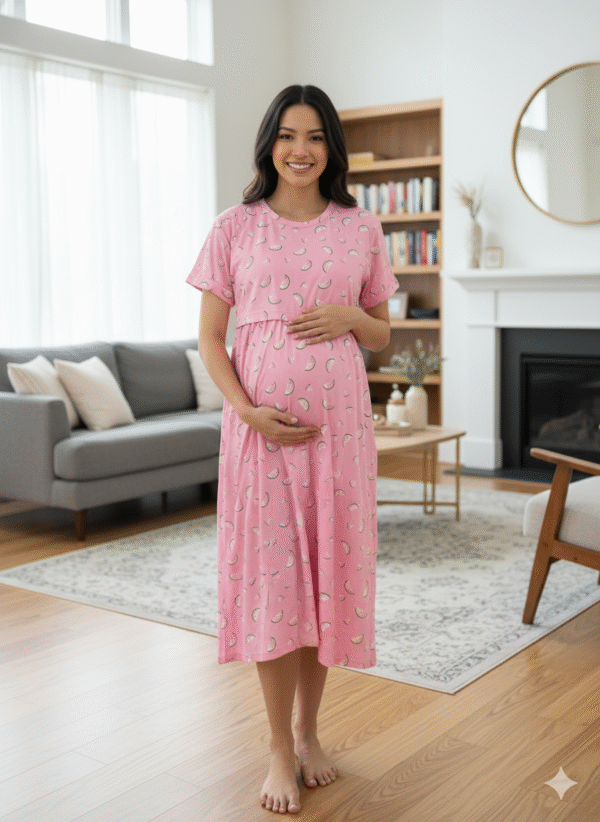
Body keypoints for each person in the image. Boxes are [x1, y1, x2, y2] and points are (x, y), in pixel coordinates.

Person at [187, 84, 398, 814]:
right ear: (269, 144)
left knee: (324, 583)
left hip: (340, 438)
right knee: (276, 588)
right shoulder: (234, 227)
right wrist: (247, 411)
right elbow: (211, 338)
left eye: (314, 136)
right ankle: (278, 745)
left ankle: (310, 730)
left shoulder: (360, 227)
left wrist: (349, 314)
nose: (300, 149)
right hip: (260, 441)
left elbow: (381, 335)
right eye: (287, 135)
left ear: (331, 146)